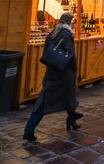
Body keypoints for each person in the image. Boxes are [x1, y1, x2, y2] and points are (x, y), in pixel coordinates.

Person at [23, 13, 83, 142]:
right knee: (47, 100)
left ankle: (72, 119)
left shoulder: (52, 34)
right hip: (65, 73)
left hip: (52, 72)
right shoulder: (67, 35)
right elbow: (71, 55)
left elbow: (46, 54)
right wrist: (75, 68)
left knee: (66, 95)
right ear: (69, 22)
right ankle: (29, 129)